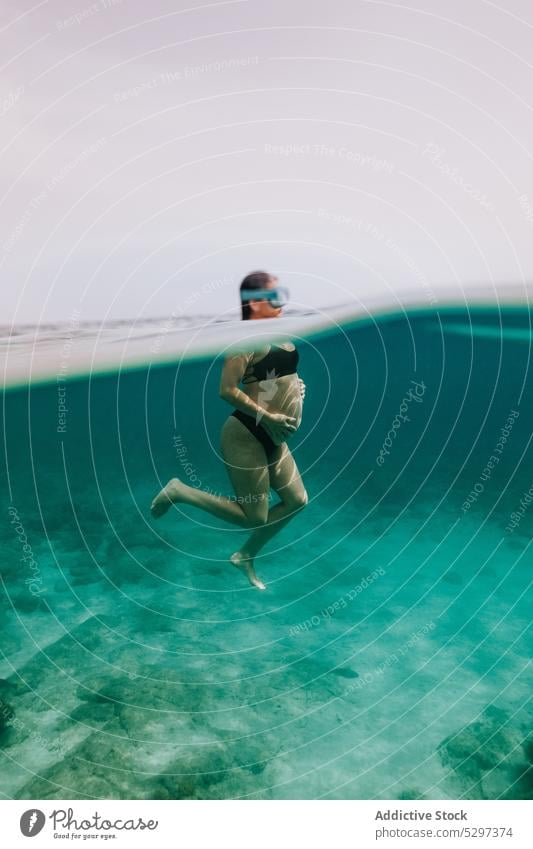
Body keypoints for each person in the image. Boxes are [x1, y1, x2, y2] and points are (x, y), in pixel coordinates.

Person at [151, 271, 308, 590]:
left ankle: (245, 556)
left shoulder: (280, 335)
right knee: (255, 517)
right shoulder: (243, 341)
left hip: (274, 435)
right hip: (246, 433)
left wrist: (295, 388)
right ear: (254, 302)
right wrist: (270, 416)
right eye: (276, 297)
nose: (283, 303)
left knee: (297, 500)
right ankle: (181, 491)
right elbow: (226, 390)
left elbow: (268, 378)